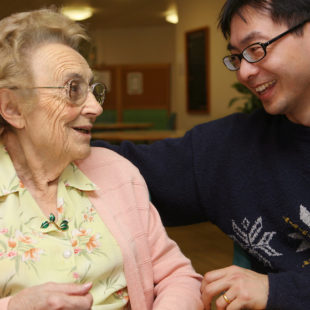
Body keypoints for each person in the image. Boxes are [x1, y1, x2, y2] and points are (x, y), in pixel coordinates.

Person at [92, 0, 310, 309]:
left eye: (256, 48)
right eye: (237, 57)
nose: (244, 72)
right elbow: (129, 170)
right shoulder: (231, 147)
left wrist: (277, 289)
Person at [0, 8, 203, 310]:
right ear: (13, 108)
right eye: (73, 89)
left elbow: (177, 276)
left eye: (93, 89)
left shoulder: (118, 172)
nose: (95, 107)